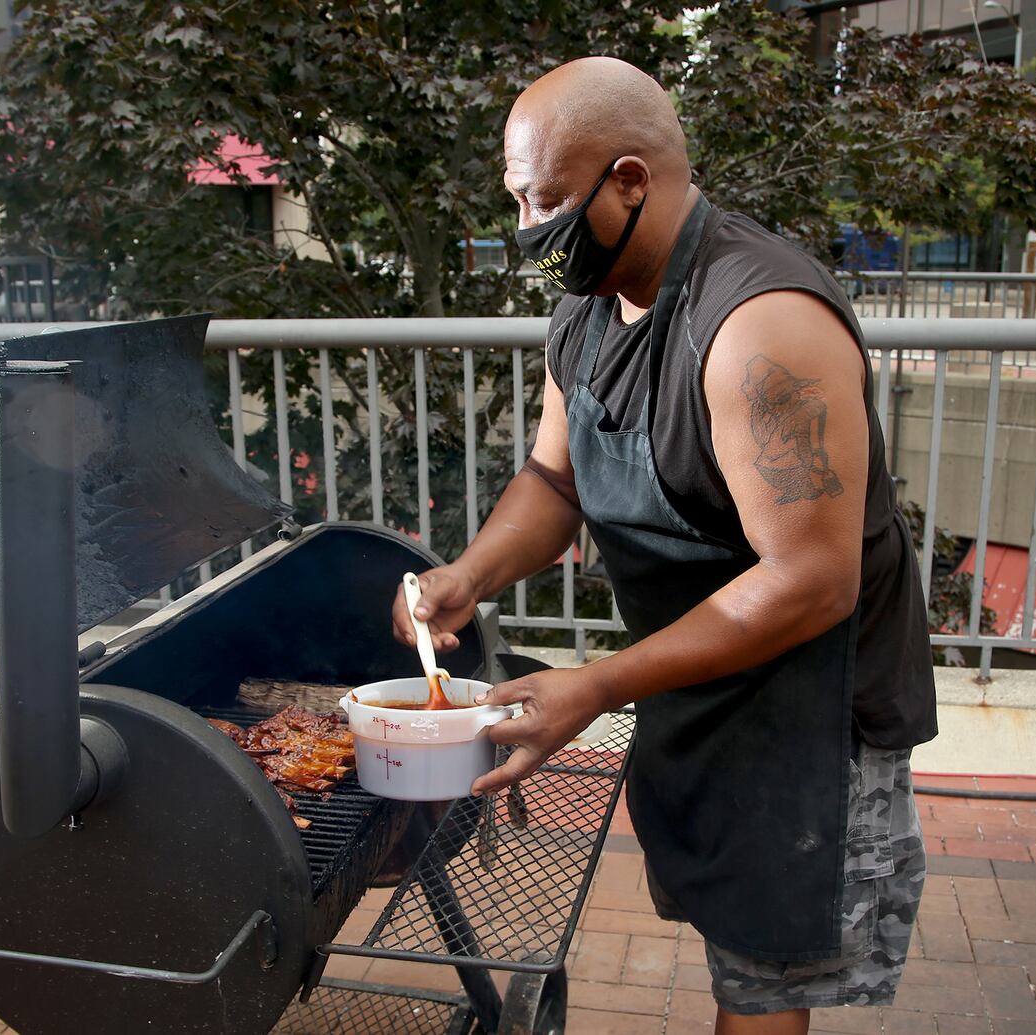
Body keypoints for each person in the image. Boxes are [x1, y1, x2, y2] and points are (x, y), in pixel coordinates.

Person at [391, 57, 937, 1034]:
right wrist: (467, 574)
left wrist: (595, 685)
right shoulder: (589, 308)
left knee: (766, 966)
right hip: (692, 673)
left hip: (805, 705)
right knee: (730, 931)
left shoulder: (761, 328)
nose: (528, 231)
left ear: (631, 179)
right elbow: (552, 480)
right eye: (517, 201)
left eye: (547, 200)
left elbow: (812, 582)